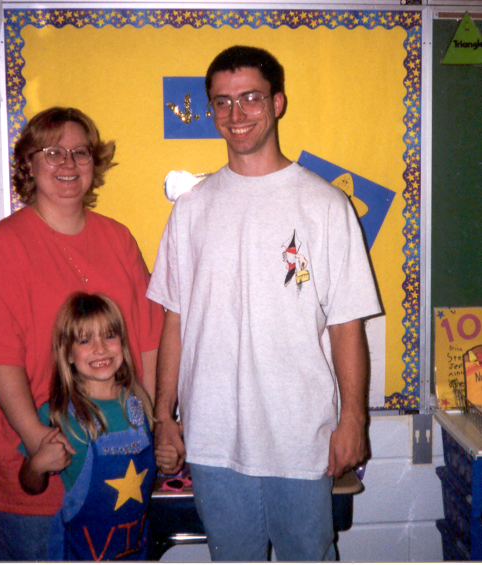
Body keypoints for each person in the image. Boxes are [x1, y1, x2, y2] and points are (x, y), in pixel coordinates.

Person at [147, 45, 382, 561]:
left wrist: (354, 420)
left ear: (277, 102)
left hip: (299, 434)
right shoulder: (191, 210)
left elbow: (346, 326)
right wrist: (164, 415)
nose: (236, 113)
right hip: (212, 438)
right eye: (223, 101)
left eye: (250, 97)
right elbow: (174, 321)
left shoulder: (325, 205)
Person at [0, 107, 164, 560]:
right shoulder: (2, 247)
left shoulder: (119, 239)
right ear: (28, 165)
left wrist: (150, 422)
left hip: (114, 466)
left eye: (80, 153)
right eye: (53, 153)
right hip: (32, 464)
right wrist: (37, 439)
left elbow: (148, 338)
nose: (69, 164)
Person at [19, 292, 156, 560]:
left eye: (109, 336)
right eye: (85, 340)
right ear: (68, 354)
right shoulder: (56, 414)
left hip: (137, 551)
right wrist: (37, 465)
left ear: (122, 342)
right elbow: (29, 484)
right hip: (82, 554)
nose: (100, 348)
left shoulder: (139, 405)